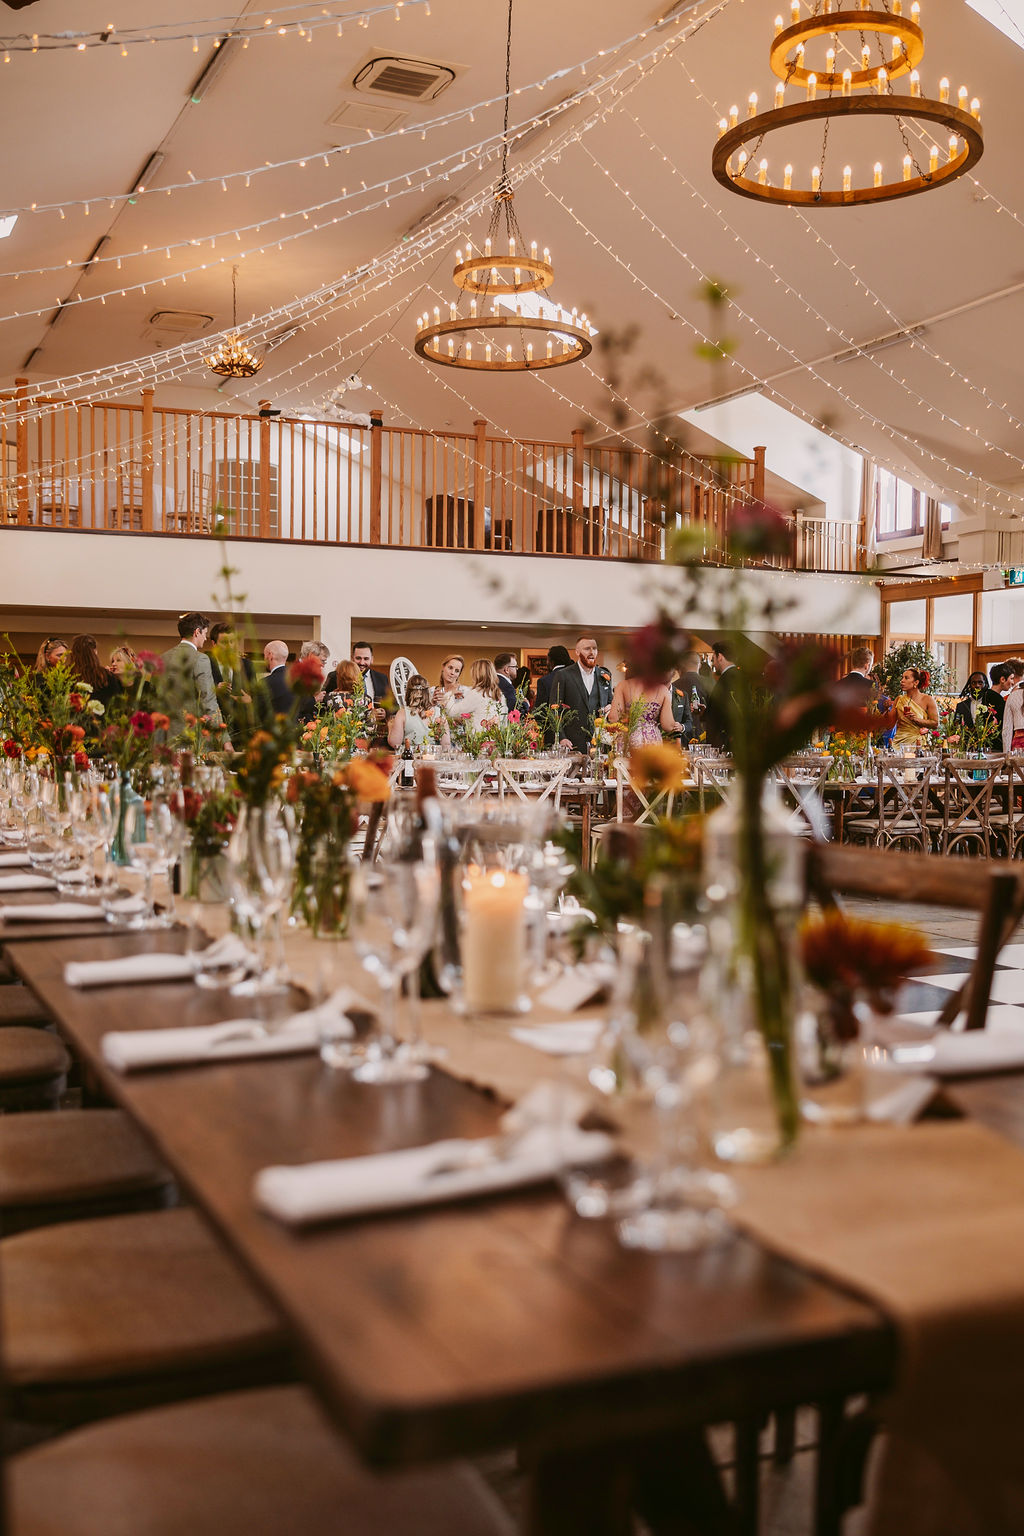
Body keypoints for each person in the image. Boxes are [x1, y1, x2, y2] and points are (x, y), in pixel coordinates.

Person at [160, 613, 223, 741]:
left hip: (166, 735)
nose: (205, 638)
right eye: (205, 633)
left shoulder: (163, 658)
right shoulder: (200, 659)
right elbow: (208, 701)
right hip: (193, 736)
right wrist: (224, 739)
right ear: (197, 632)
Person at [550, 637, 614, 754]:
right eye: (587, 649)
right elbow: (554, 709)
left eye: (594, 648)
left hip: (599, 741)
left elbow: (611, 702)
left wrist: (611, 707)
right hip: (571, 741)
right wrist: (561, 737)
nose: (591, 652)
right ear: (577, 652)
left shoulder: (604, 675)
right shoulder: (563, 675)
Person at [608, 665, 684, 751]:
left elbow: (613, 718)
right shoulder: (663, 690)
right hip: (652, 743)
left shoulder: (623, 685)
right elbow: (668, 726)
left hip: (628, 741)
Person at [387, 673, 449, 751]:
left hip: (410, 760)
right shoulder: (439, 712)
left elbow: (395, 743)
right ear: (427, 692)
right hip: (432, 759)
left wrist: (390, 726)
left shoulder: (402, 713)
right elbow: (446, 745)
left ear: (408, 692)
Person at [705, 638, 743, 751]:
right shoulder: (738, 676)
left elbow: (728, 709)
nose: (713, 663)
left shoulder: (728, 678)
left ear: (720, 657)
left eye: (713, 659)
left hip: (725, 743)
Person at [952, 671, 1004, 750]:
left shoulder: (991, 703)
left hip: (990, 747)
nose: (977, 686)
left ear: (985, 684)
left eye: (980, 683)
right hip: (968, 747)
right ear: (969, 685)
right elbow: (956, 725)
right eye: (974, 683)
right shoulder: (961, 706)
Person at [68, 634, 121, 710]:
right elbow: (116, 706)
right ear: (95, 652)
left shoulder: (65, 676)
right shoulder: (107, 676)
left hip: (71, 721)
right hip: (101, 720)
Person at [892, 665, 939, 750]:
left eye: (906, 678)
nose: (902, 681)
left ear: (916, 683)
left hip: (918, 744)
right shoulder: (899, 699)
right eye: (902, 678)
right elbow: (890, 723)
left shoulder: (927, 699)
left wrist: (916, 719)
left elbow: (935, 723)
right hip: (899, 743)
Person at [533, 645, 571, 713]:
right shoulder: (575, 677)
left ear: (551, 661)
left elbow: (540, 710)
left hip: (552, 721)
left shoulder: (544, 681)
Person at [263, 641, 294, 716]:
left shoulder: (265, 683)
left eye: (264, 655)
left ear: (270, 656)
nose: (264, 659)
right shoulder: (296, 680)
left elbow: (259, 712)